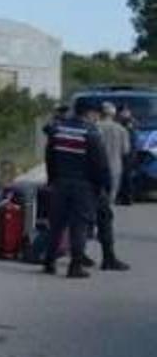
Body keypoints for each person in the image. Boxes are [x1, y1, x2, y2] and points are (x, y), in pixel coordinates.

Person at [42, 98, 114, 278]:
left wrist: (52, 179)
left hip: (60, 183)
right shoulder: (91, 133)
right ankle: (75, 266)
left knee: (56, 224)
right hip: (84, 186)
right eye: (96, 114)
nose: (97, 117)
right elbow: (100, 165)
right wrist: (104, 186)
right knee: (79, 226)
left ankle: (49, 261)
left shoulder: (57, 130)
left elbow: (49, 156)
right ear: (89, 113)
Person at [97, 102, 131, 204]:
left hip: (97, 166)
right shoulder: (122, 129)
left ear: (100, 113)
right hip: (115, 167)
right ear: (114, 114)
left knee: (96, 196)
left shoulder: (94, 127)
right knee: (111, 197)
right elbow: (125, 150)